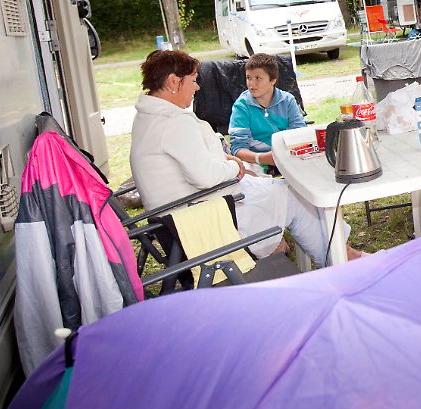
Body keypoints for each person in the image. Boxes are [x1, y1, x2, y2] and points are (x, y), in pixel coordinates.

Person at [129, 50, 362, 265]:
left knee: (284, 192)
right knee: (293, 195)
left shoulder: (149, 118)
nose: (197, 87)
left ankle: (338, 253)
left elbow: (195, 168)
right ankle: (342, 259)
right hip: (198, 224)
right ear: (173, 82)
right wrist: (235, 165)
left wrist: (231, 165)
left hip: (182, 220)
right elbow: (206, 176)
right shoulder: (172, 123)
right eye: (193, 80)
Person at [229, 53, 305, 168]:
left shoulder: (288, 100)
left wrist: (283, 156)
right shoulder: (241, 106)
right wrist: (260, 159)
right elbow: (238, 148)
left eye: (258, 78)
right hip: (256, 162)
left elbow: (298, 134)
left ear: (273, 80)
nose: (251, 84)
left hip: (287, 157)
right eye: (248, 78)